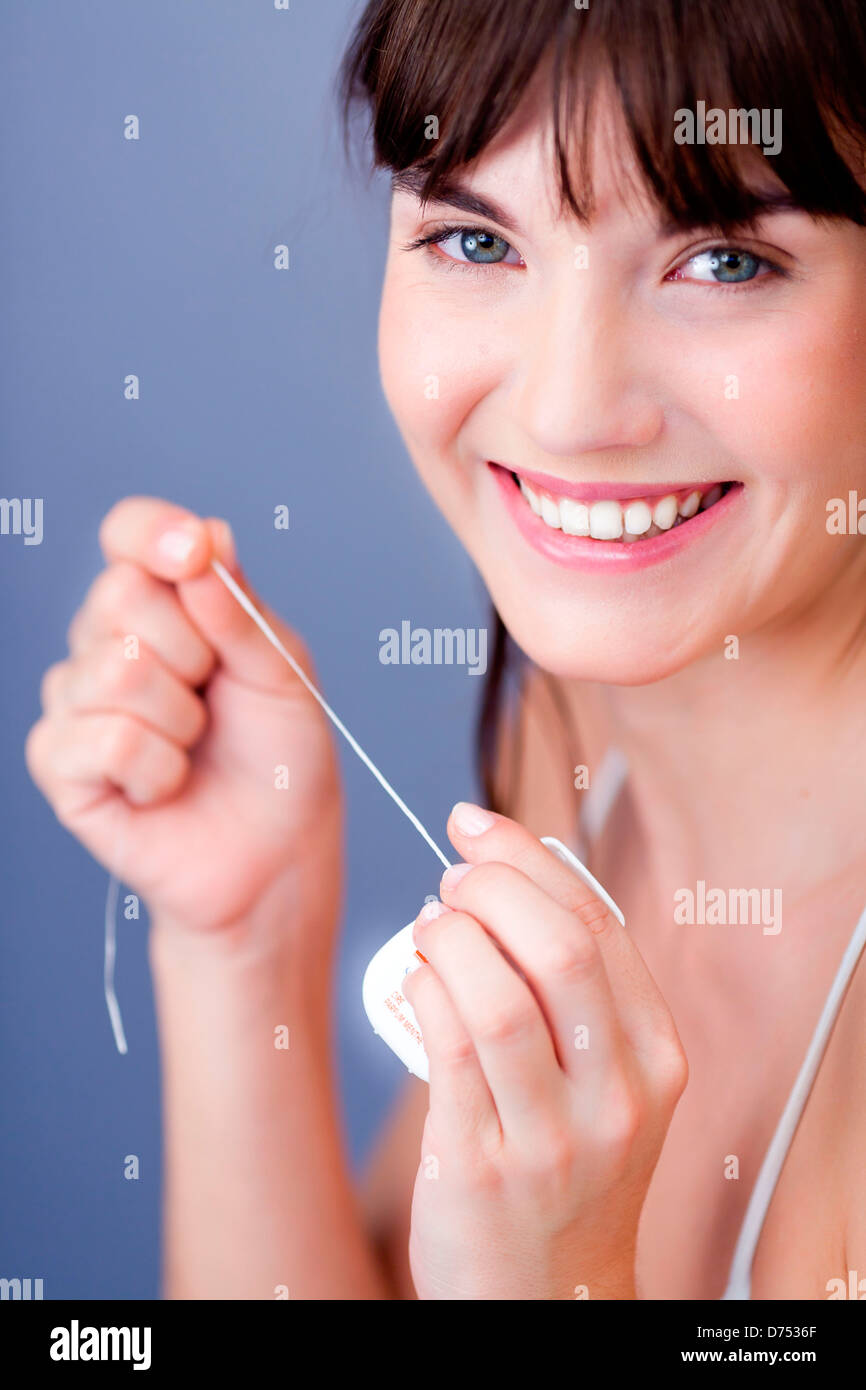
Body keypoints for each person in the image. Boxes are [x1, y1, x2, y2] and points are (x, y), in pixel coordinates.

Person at [26, 0, 866, 1299]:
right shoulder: (573, 739)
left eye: (724, 260)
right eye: (475, 239)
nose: (566, 407)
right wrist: (244, 936)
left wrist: (553, 1281)